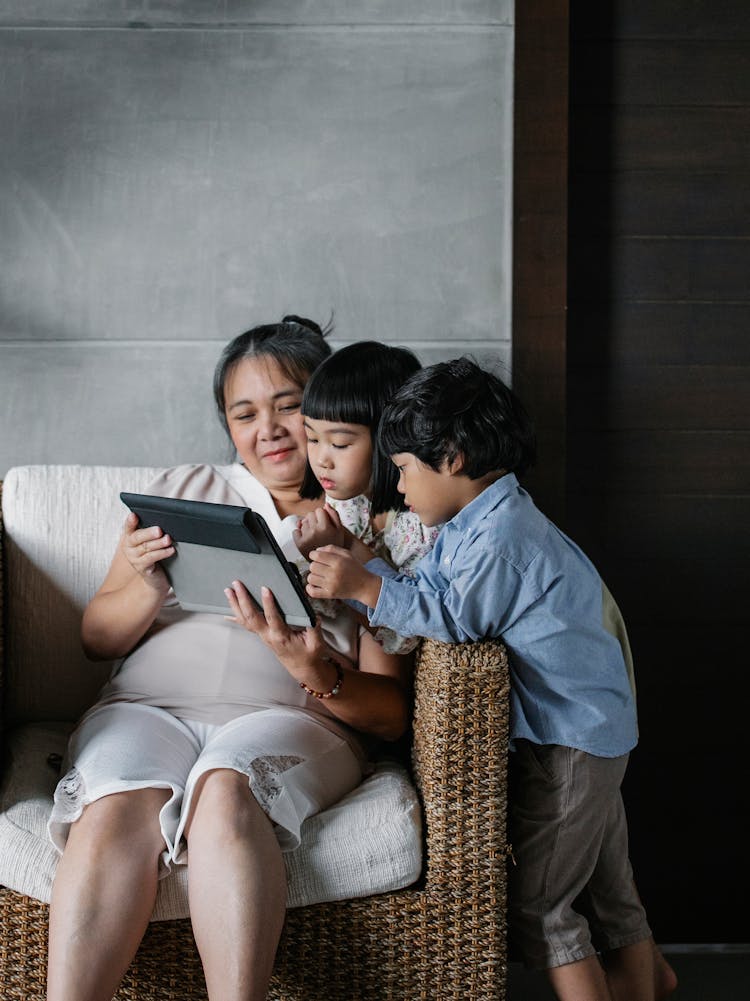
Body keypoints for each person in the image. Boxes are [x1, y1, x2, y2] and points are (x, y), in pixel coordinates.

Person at [45, 316, 412, 1001]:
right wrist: (145, 587)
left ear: (329, 404)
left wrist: (315, 670)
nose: (266, 429)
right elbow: (96, 636)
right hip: (146, 709)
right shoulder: (183, 488)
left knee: (225, 789)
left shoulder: (369, 525)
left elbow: (391, 715)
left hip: (288, 716)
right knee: (115, 798)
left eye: (288, 405)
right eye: (244, 413)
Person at [305, 357, 677, 1001]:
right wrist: (370, 566)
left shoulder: (503, 536)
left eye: (403, 468)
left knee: (541, 906)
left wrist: (366, 585)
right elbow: (429, 589)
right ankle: (649, 983)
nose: (399, 484)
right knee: (612, 890)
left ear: (450, 457)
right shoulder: (468, 525)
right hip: (587, 732)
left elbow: (454, 619)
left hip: (573, 741)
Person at [293, 340, 441, 653]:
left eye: (341, 444)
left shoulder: (423, 522)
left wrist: (344, 545)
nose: (321, 459)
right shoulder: (348, 501)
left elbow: (414, 630)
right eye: (312, 438)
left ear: (390, 440)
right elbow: (341, 603)